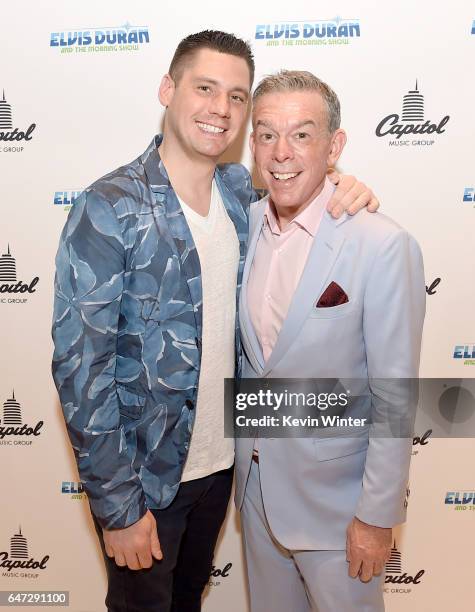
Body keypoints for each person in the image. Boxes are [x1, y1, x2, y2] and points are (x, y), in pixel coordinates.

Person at [52, 32, 378, 612]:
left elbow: (303, 192)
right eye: (205, 88)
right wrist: (118, 507)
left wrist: (346, 186)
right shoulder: (111, 205)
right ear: (168, 90)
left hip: (223, 471)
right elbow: (81, 369)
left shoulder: (239, 196)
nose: (220, 109)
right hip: (145, 482)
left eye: (236, 96)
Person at [235, 70, 426, 612]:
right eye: (267, 134)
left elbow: (396, 393)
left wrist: (376, 515)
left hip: (341, 511)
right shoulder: (243, 225)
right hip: (257, 497)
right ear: (253, 145)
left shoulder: (381, 244)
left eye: (302, 134)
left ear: (334, 145)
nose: (281, 152)